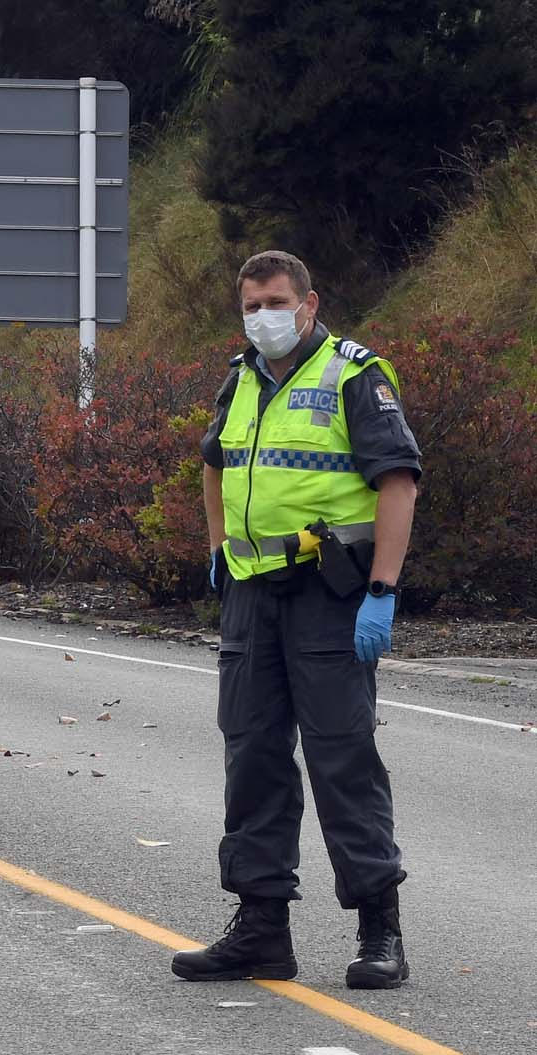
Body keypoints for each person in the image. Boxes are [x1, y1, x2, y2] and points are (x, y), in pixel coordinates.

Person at [171, 250, 420, 990]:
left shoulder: (353, 374)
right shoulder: (241, 374)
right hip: (251, 595)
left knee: (343, 759)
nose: (262, 317)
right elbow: (214, 460)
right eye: (250, 305)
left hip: (329, 593)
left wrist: (383, 587)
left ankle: (380, 931)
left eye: (275, 302)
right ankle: (260, 929)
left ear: (309, 304)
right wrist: (217, 547)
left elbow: (398, 481)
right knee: (253, 758)